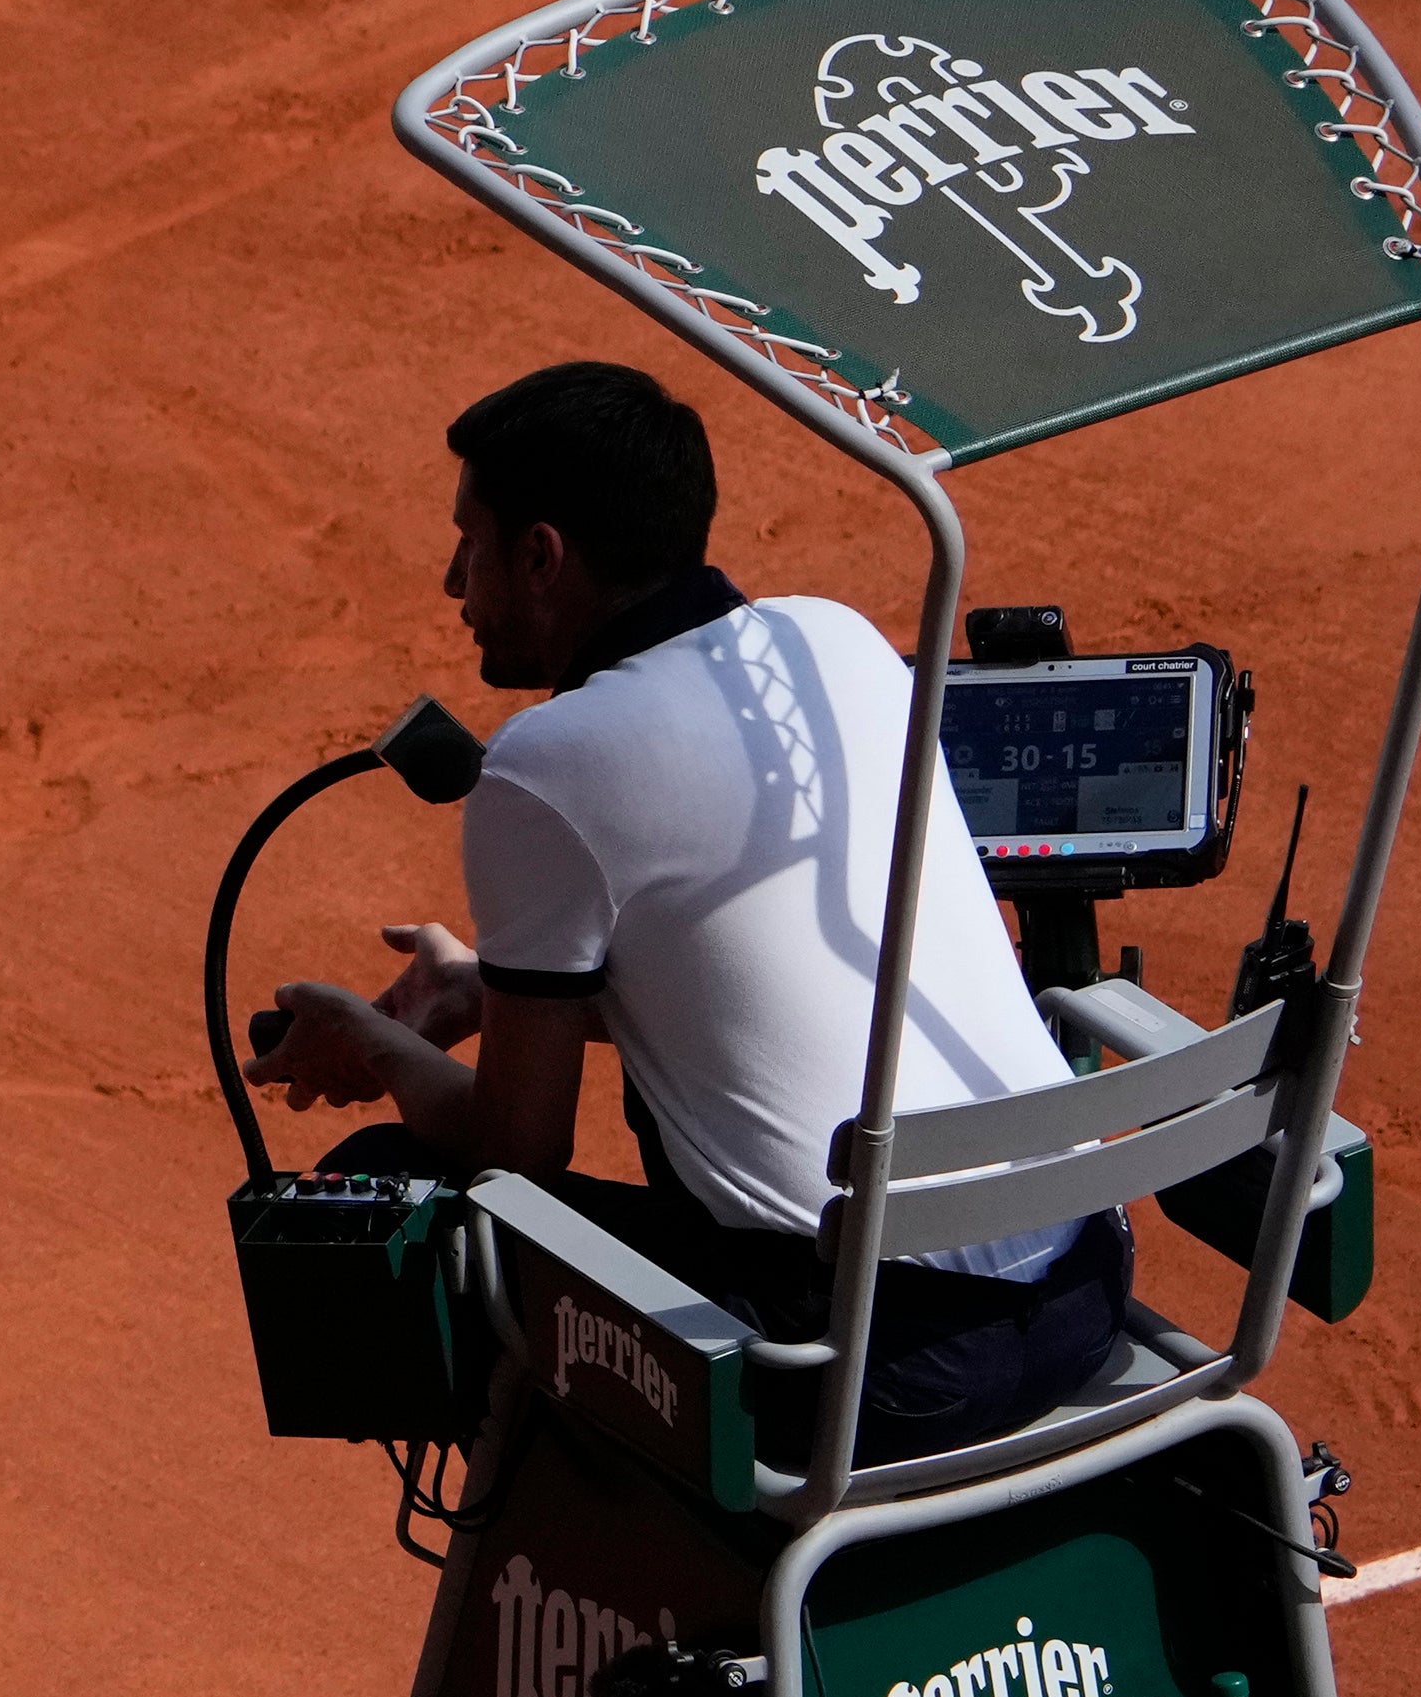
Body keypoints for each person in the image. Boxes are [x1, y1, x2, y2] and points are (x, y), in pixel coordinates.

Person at [251, 358, 1126, 1458]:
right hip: (1085, 1281)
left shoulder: (548, 764)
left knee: (387, 1195)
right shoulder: (834, 638)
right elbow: (740, 985)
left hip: (883, 1367)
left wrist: (374, 1044)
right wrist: (487, 993)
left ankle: (574, 1567)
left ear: (541, 556)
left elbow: (512, 1150)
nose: (448, 580)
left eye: (469, 543)